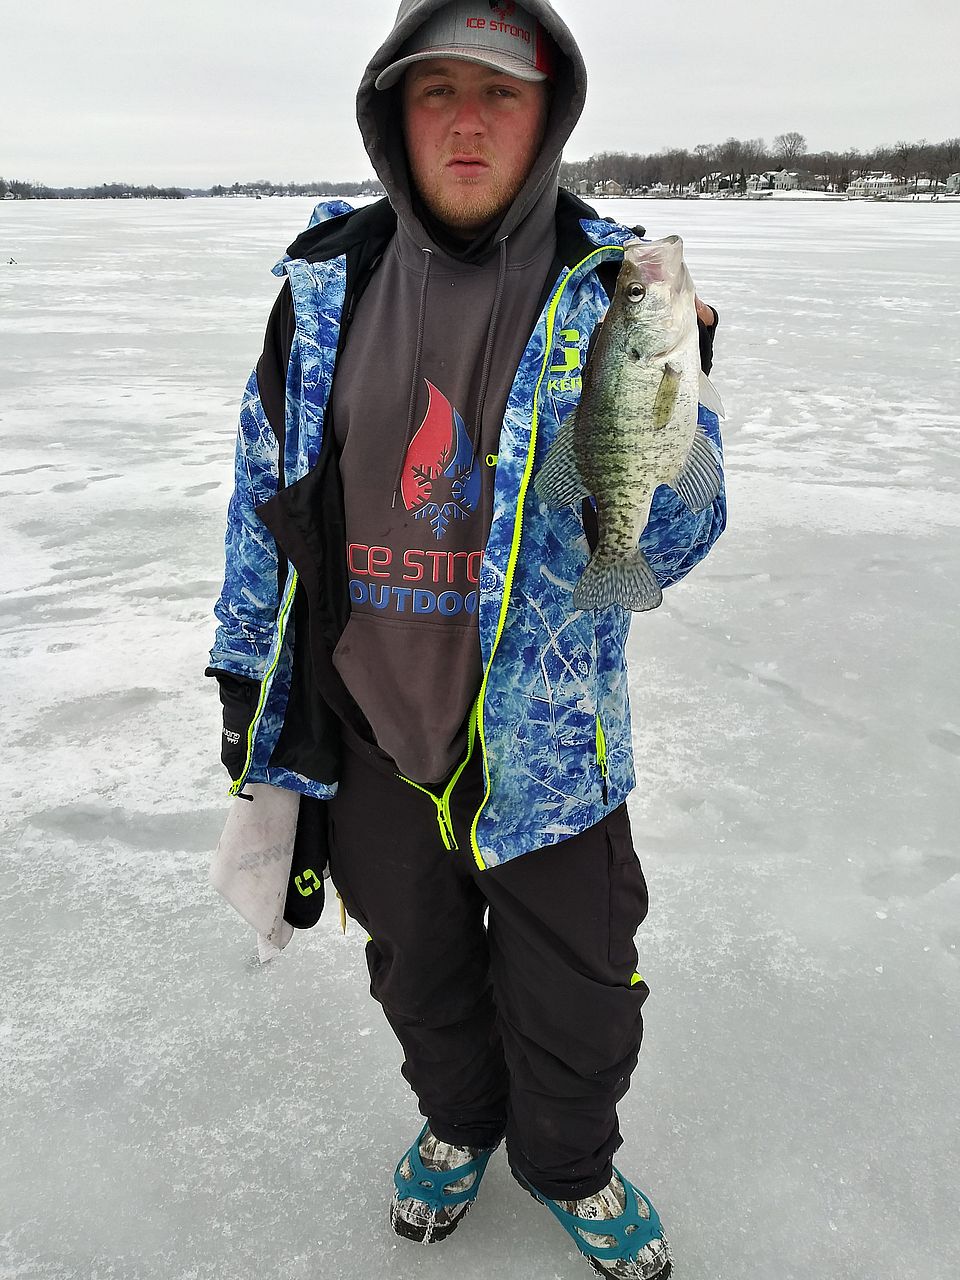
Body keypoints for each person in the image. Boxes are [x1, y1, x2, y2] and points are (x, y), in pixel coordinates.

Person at [207, 3, 725, 1277]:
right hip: (374, 732)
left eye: (501, 90)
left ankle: (571, 1163)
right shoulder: (325, 287)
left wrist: (685, 435)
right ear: (392, 111)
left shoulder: (618, 290)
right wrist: (243, 680)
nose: (469, 118)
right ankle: (457, 1122)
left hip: (554, 746)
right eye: (436, 88)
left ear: (552, 110)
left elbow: (671, 544)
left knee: (584, 995)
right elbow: (260, 502)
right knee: (417, 973)